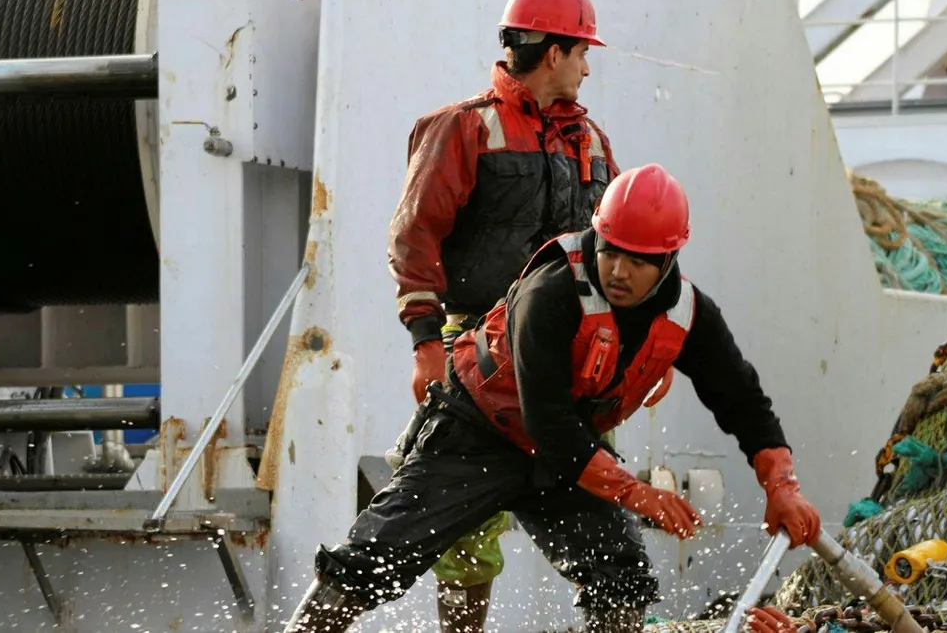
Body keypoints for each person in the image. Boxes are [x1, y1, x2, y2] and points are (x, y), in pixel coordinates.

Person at [283, 163, 822, 632]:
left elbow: (742, 400)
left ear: (668, 259)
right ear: (598, 236)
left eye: (638, 261)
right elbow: (548, 420)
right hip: (476, 434)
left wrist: (782, 486)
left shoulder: (690, 316)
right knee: (369, 560)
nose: (619, 271)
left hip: (566, 456)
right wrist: (636, 493)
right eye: (610, 251)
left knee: (623, 578)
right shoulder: (551, 289)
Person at [383, 0, 618, 630]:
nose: (587, 67)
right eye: (582, 52)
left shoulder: (595, 144)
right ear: (554, 52)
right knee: (462, 528)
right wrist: (426, 346)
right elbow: (414, 236)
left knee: (599, 523)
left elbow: (621, 254)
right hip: (476, 354)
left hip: (571, 361)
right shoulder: (463, 129)